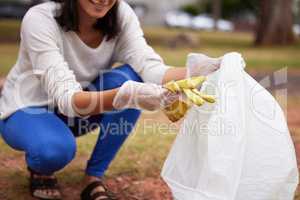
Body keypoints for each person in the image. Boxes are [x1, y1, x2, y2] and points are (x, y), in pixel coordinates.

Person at [0, 0, 221, 199]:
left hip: (80, 110)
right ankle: (41, 168)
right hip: (28, 109)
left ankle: (93, 178)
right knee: (55, 151)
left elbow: (149, 67)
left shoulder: (120, 13)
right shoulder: (40, 18)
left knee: (131, 76)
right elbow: (67, 98)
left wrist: (199, 71)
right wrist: (128, 96)